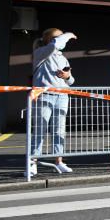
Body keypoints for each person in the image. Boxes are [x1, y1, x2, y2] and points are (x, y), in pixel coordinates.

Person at [30, 28, 76, 175]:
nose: (63, 39)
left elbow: (71, 81)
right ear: (50, 39)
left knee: (59, 130)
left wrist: (67, 76)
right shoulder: (41, 53)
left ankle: (59, 161)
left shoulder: (63, 57)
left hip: (62, 96)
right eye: (59, 37)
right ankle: (32, 162)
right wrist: (68, 35)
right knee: (40, 130)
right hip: (45, 95)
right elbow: (55, 45)